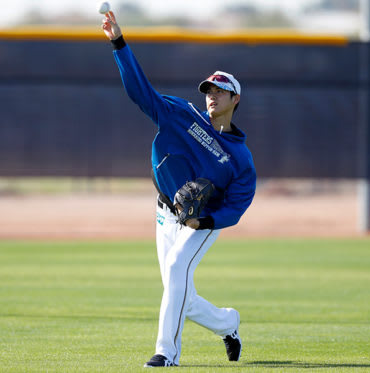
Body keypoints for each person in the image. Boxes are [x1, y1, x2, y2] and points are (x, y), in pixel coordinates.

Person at [101, 11, 256, 368]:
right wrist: (118, 43)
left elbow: (238, 203)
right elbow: (141, 92)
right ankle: (228, 323)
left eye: (221, 91)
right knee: (178, 291)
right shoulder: (181, 114)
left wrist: (206, 223)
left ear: (235, 101)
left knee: (176, 270)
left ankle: (166, 354)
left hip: (201, 222)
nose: (212, 96)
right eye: (209, 90)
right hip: (164, 212)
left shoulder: (239, 158)